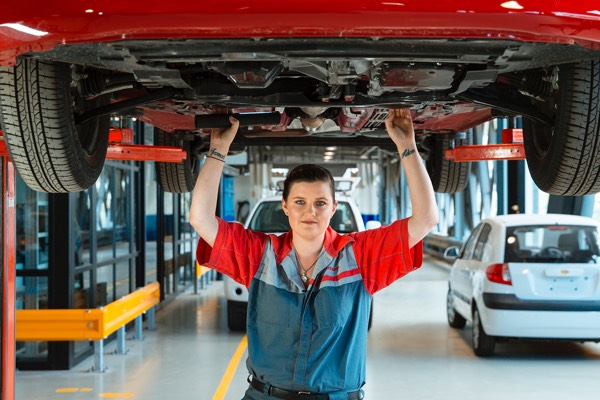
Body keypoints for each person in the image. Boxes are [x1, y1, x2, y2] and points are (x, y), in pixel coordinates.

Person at [190, 109, 438, 400]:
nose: (310, 211)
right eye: (300, 201)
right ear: (285, 206)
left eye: (320, 202)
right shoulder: (260, 254)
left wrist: (407, 147)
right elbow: (200, 218)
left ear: (333, 208)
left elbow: (425, 219)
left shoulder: (359, 255)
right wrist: (218, 150)